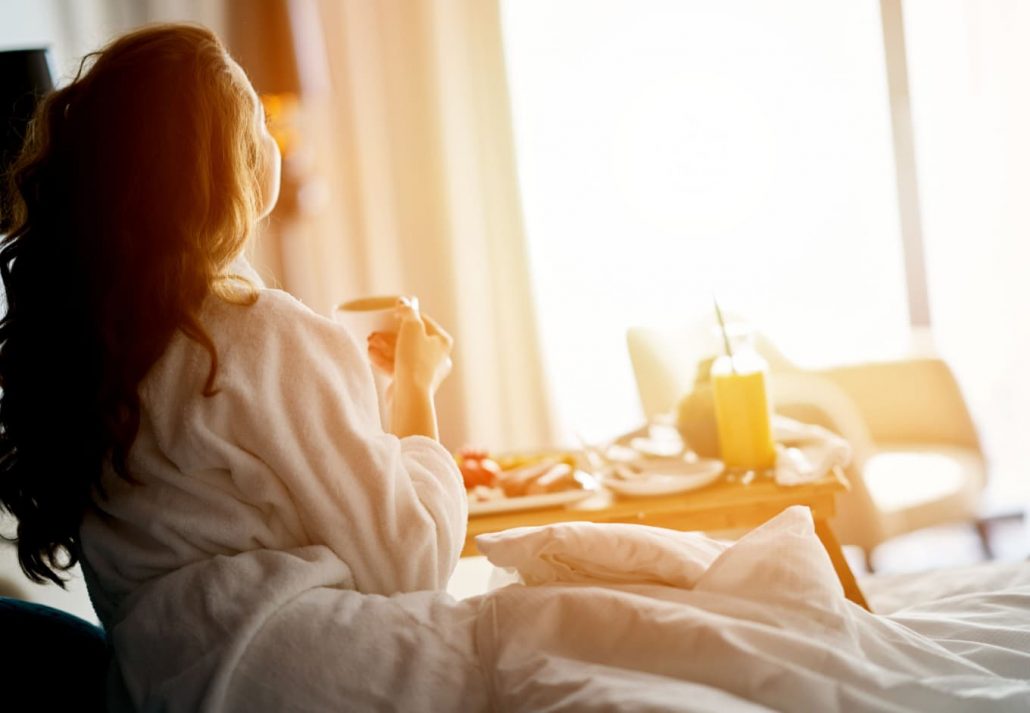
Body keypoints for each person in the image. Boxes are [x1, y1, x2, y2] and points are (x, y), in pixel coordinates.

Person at [0, 23, 468, 709]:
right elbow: (412, 562)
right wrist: (418, 394)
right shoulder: (261, 335)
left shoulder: (89, 353)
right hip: (310, 675)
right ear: (224, 166)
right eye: (254, 118)